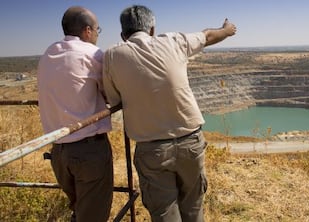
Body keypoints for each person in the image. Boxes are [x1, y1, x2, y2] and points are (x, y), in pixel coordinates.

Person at [103, 4, 236, 222]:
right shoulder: (174, 41)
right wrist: (227, 29)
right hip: (190, 143)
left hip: (151, 150)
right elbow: (208, 36)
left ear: (122, 34)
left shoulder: (111, 56)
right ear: (152, 29)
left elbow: (113, 98)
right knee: (193, 206)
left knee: (164, 212)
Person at [37, 6, 113, 222]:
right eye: (98, 30)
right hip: (88, 151)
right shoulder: (93, 54)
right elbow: (110, 93)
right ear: (87, 31)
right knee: (94, 216)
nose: (98, 35)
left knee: (79, 210)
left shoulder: (48, 54)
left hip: (58, 151)